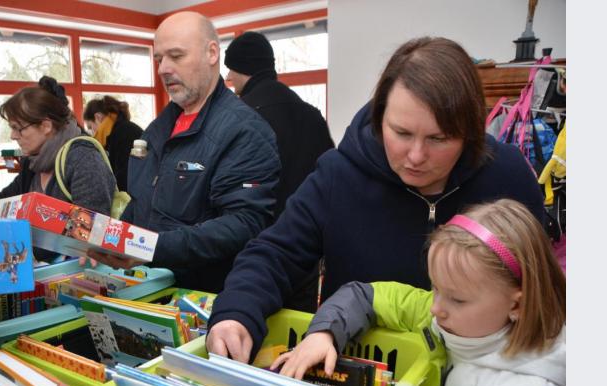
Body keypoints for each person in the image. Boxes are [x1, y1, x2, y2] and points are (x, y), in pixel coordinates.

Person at [206, 37, 545, 363]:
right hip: (359, 369)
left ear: (469, 131)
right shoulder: (338, 174)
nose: (416, 156)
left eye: (439, 138)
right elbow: (276, 253)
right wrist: (236, 312)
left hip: (487, 373)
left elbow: (541, 286)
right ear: (379, 118)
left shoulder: (508, 176)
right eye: (401, 133)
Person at [271, 199, 566, 386]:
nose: (436, 308)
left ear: (516, 305)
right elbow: (364, 296)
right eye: (436, 288)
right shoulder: (437, 314)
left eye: (457, 299)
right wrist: (324, 333)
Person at [88, 12, 281, 293]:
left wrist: (149, 248)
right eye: (159, 59)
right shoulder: (157, 130)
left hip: (205, 299)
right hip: (150, 290)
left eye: (176, 56)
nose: (163, 69)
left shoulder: (245, 131)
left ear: (211, 53)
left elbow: (242, 224)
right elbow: (142, 205)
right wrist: (109, 240)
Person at [225, 31, 335, 313]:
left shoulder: (237, 117)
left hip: (253, 253)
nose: (229, 78)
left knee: (246, 326)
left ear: (242, 68)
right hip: (304, 248)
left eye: (231, 70)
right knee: (298, 328)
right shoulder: (310, 114)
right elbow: (330, 179)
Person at [0, 76, 116, 262]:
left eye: (18, 128)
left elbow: (91, 228)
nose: (13, 136)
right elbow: (5, 200)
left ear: (46, 126)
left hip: (75, 271)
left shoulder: (82, 157)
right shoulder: (32, 163)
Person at [83, 95, 144, 191]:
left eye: (90, 127)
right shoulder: (117, 131)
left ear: (98, 117)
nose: (92, 133)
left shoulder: (122, 133)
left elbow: (123, 178)